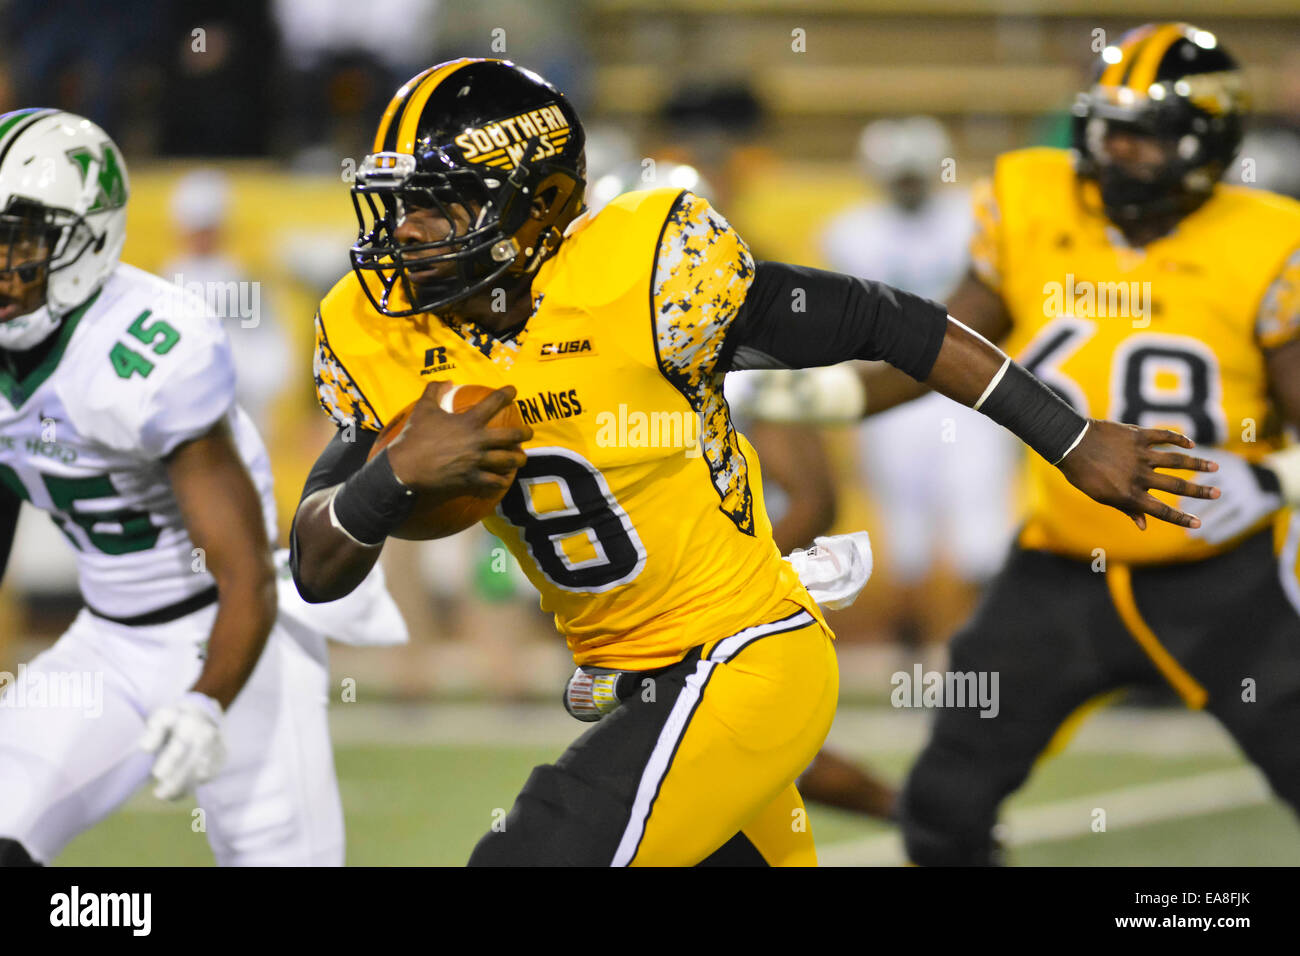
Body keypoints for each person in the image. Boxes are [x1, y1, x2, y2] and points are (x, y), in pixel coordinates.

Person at [290, 58, 1218, 867]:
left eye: (435, 205)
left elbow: (889, 320)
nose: (404, 234)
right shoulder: (378, 332)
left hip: (748, 654)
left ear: (536, 203)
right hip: (639, 684)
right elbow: (315, 565)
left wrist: (1067, 434)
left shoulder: (648, 278)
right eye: (398, 203)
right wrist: (389, 481)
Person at [849, 23, 1300, 865]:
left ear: (1208, 140)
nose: (1114, 148)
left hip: (1228, 576)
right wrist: (816, 395)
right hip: (1059, 572)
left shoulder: (1271, 241)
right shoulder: (1031, 197)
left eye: (1143, 132)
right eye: (1104, 125)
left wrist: (1273, 480)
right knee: (944, 803)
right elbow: (938, 349)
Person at [0, 109, 403, 866]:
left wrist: (205, 700)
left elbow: (243, 569)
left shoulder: (146, 347)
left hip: (236, 634)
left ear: (83, 240)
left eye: (17, 241)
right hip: (110, 640)